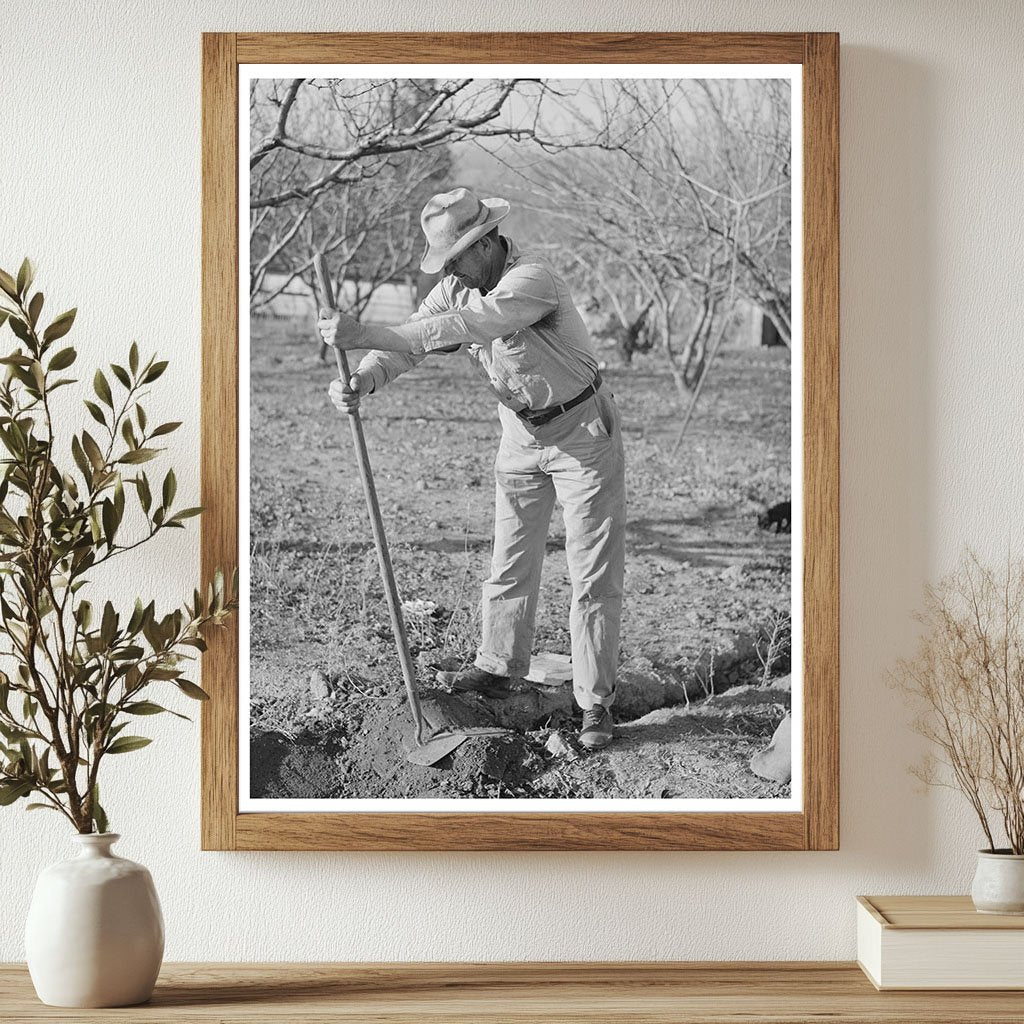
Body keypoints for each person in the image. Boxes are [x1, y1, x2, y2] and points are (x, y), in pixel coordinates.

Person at [318, 187, 625, 751]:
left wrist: (365, 331)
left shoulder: (532, 278)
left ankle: (595, 704)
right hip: (520, 431)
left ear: (486, 243)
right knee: (509, 555)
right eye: (446, 261)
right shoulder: (457, 286)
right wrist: (361, 377)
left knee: (591, 574)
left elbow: (466, 327)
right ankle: (500, 664)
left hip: (583, 432)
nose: (452, 269)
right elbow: (410, 342)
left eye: (457, 256)